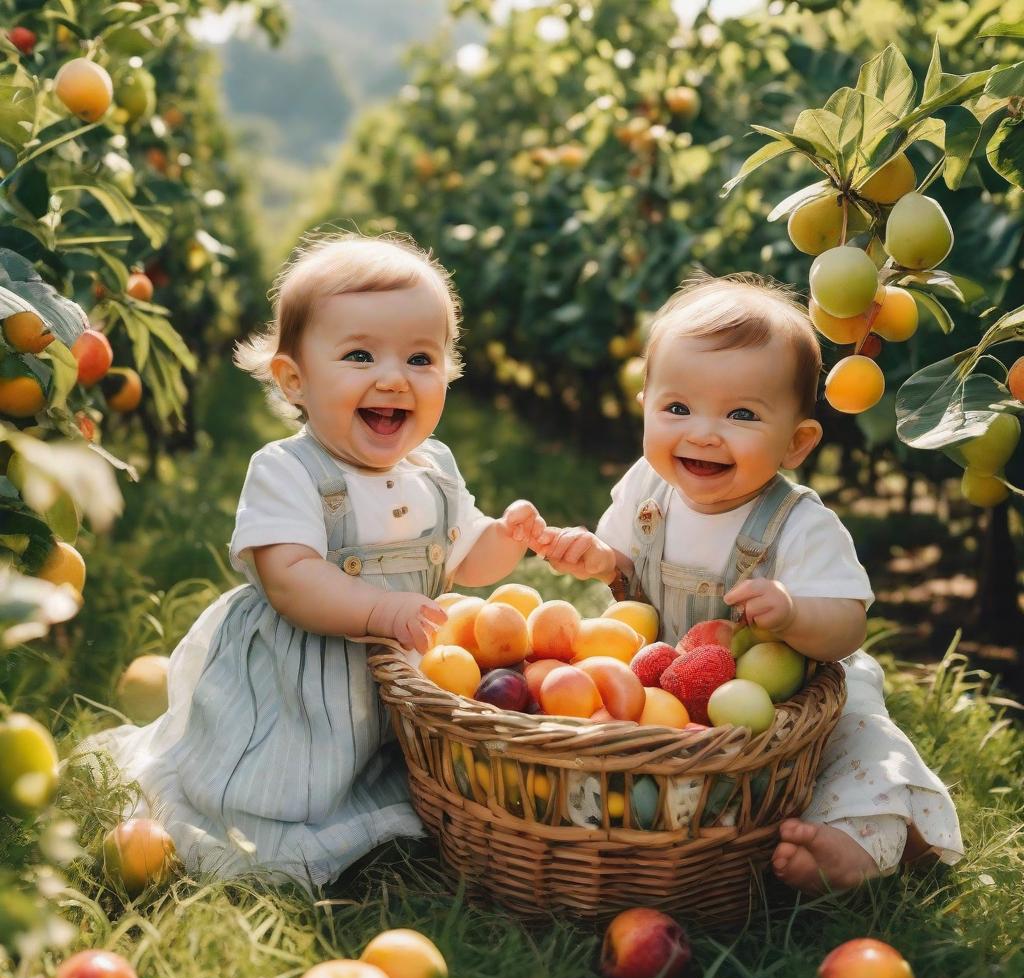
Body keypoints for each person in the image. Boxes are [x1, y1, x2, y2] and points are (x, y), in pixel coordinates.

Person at [80, 233, 546, 890]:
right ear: (294, 380)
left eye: (420, 357)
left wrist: (509, 534)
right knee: (280, 795)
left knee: (381, 765)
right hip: (300, 684)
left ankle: (372, 798)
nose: (392, 377)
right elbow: (290, 579)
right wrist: (382, 608)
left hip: (390, 684)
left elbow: (467, 557)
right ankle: (264, 817)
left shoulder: (434, 470)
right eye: (360, 355)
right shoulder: (287, 470)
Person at [536, 273, 963, 893]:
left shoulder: (799, 524)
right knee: (603, 734)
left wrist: (791, 615)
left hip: (787, 699)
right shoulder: (646, 491)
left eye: (740, 414)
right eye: (677, 408)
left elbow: (847, 627)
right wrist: (596, 558)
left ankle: (856, 842)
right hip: (665, 687)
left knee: (857, 740)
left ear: (796, 443)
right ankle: (630, 833)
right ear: (646, 407)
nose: (703, 432)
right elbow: (623, 568)